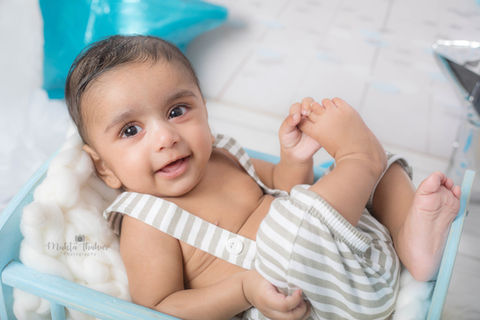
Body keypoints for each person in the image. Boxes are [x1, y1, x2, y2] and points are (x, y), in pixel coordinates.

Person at [65, 35, 461, 320]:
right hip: (309, 300)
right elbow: (160, 306)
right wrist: (243, 290)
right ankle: (361, 155)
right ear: (104, 167)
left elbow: (289, 187)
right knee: (291, 232)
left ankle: (412, 244)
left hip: (358, 249)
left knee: (383, 172)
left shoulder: (222, 155)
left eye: (177, 111)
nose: (166, 137)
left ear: (203, 107)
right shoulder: (145, 220)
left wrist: (295, 157)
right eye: (131, 131)